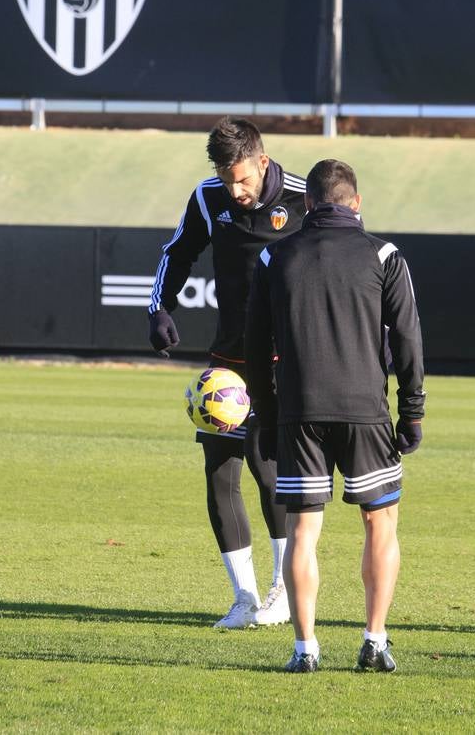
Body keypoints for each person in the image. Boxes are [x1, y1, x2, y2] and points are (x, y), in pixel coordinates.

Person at [245, 159, 425, 672]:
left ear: (307, 205)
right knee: (381, 522)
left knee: (303, 530)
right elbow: (409, 338)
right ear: (356, 203)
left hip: (299, 413)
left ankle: (305, 650)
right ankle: (374, 640)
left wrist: (268, 412)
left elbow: (255, 346)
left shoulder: (274, 257)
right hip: (366, 412)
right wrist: (412, 410)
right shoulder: (384, 254)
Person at [148, 117, 307, 629]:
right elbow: (178, 252)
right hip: (229, 362)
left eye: (242, 178)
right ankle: (244, 598)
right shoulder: (208, 195)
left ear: (263, 162)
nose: (235, 190)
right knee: (220, 472)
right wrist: (160, 309)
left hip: (284, 362)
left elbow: (347, 260)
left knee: (269, 472)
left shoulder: (305, 198)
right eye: (226, 178)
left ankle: (283, 592)